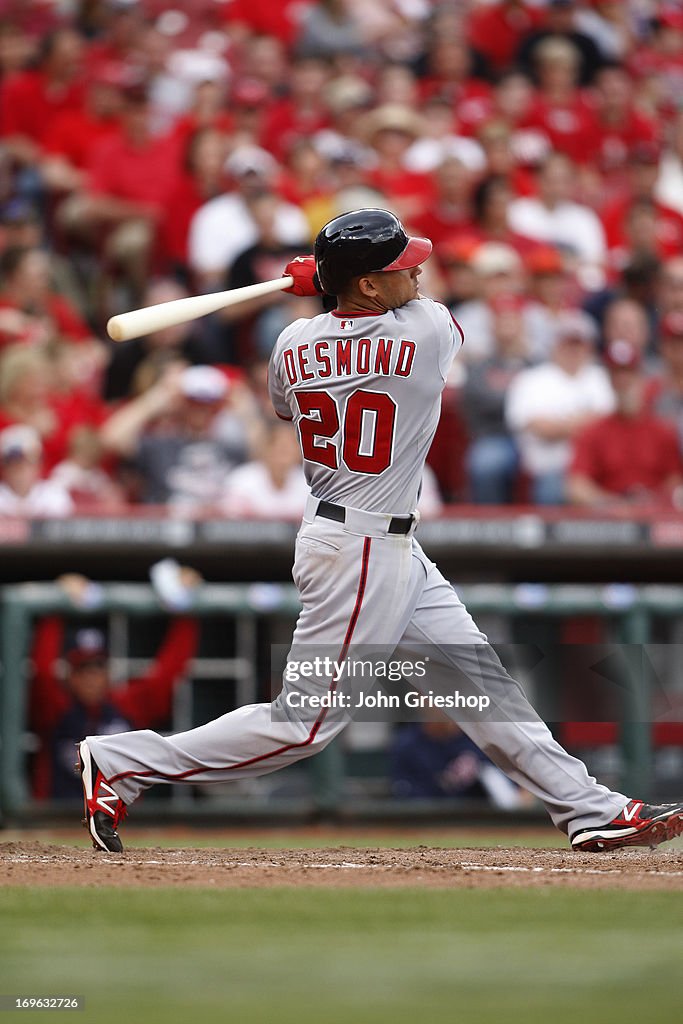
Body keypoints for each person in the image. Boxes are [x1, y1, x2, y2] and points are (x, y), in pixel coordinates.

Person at [76, 208, 683, 854]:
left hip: (360, 539)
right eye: (399, 267)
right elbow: (426, 312)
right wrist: (326, 282)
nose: (415, 272)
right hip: (360, 549)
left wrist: (319, 290)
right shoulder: (425, 332)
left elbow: (287, 401)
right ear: (366, 283)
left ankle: (591, 809)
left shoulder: (289, 344)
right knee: (304, 723)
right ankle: (123, 763)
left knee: (479, 684)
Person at [30, 571, 200, 800]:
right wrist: (55, 608)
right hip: (56, 821)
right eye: (83, 668)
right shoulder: (55, 706)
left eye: (98, 667)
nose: (91, 676)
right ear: (70, 674)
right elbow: (42, 671)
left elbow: (167, 674)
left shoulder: (126, 704)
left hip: (118, 824)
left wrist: (185, 612)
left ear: (108, 671)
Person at [567, 338, 683, 508]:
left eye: (629, 372)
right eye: (616, 374)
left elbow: (675, 481)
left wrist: (653, 501)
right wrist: (611, 503)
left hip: (654, 516)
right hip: (609, 522)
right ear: (609, 380)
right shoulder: (594, 432)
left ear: (641, 376)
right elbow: (576, 486)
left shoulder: (662, 431)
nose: (623, 381)